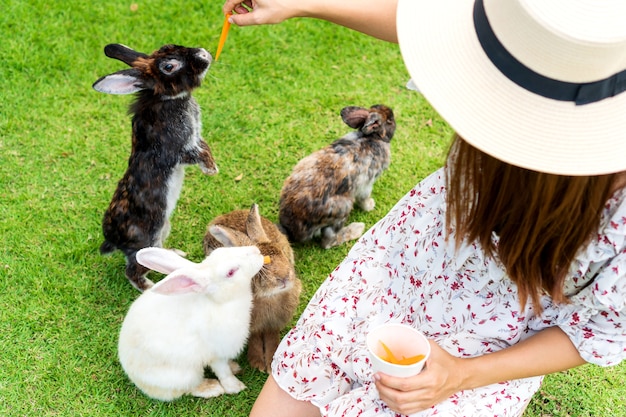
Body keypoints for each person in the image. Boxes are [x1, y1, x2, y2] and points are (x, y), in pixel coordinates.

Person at [222, 0, 626, 415]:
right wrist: (305, 3)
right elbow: (435, 24)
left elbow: (600, 330)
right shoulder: (539, 27)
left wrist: (459, 375)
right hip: (411, 262)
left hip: (490, 338)